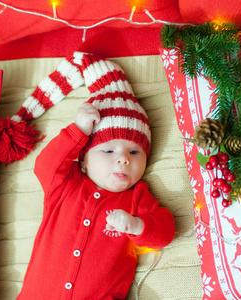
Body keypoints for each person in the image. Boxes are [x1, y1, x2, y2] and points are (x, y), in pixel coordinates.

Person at [17, 52, 175, 300]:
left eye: (134, 151)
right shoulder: (67, 184)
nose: (123, 158)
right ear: (84, 157)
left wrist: (137, 225)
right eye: (108, 150)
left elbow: (165, 231)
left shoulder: (136, 198)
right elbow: (44, 165)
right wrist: (77, 131)